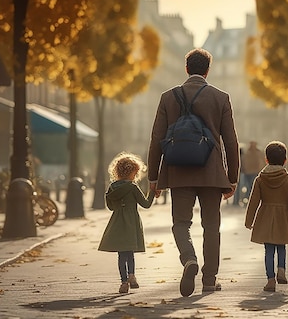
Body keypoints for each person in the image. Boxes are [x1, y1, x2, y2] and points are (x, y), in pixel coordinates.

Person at [147, 48, 239, 297]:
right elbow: (231, 142)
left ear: (186, 68)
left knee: (180, 223)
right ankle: (209, 280)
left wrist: (153, 177)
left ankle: (189, 258)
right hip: (211, 173)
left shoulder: (168, 97)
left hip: (178, 170)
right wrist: (232, 178)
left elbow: (156, 138)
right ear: (207, 70)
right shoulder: (221, 98)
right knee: (211, 226)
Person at [244, 141, 288, 292]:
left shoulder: (260, 179)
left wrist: (249, 220)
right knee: (281, 246)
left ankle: (270, 280)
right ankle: (281, 270)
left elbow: (253, 202)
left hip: (265, 217)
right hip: (283, 218)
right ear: (285, 160)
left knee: (269, 250)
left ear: (266, 160)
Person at [98, 152, 156, 294]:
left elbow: (110, 207)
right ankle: (132, 275)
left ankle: (123, 282)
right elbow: (146, 204)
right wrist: (152, 191)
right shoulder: (133, 187)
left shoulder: (112, 188)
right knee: (130, 252)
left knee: (121, 254)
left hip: (117, 222)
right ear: (133, 172)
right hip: (131, 222)